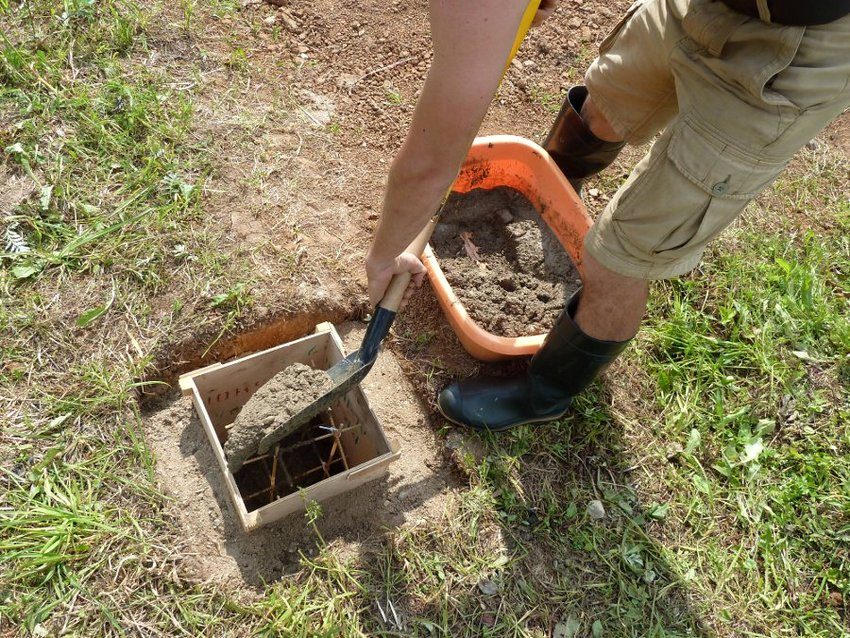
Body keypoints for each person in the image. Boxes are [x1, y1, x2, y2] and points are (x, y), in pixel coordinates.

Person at [365, 0, 850, 431]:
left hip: (800, 43)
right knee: (604, 106)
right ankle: (545, 197)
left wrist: (387, 249)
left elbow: (431, 163)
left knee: (619, 257)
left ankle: (547, 394)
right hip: (708, 5)